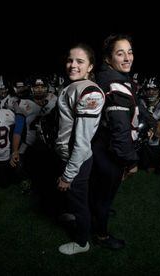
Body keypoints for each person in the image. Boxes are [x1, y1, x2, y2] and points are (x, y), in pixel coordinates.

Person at [90, 34, 139, 250]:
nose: (128, 58)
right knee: (105, 196)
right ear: (108, 59)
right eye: (121, 53)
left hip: (100, 145)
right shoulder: (115, 84)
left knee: (100, 192)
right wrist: (131, 162)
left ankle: (98, 211)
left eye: (130, 52)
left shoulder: (110, 76)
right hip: (109, 151)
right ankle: (101, 236)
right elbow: (120, 131)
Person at [55, 43, 105, 255]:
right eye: (70, 60)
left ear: (90, 66)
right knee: (74, 199)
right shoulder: (74, 85)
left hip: (77, 160)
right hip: (69, 155)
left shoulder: (89, 92)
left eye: (80, 61)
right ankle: (74, 215)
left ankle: (82, 242)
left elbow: (82, 144)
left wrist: (68, 175)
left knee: (79, 202)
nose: (72, 65)